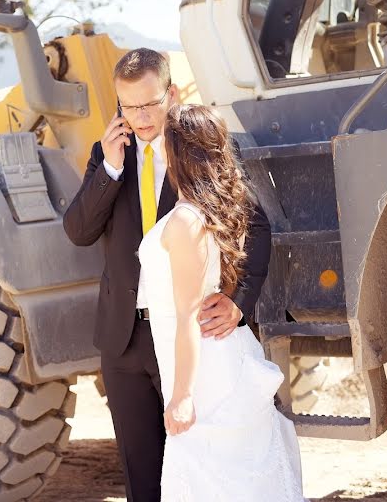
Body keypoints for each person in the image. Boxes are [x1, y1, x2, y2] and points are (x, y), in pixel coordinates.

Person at [62, 48, 272, 501]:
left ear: (171, 93)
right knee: (141, 477)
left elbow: (255, 225)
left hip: (182, 337)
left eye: (149, 103)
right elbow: (78, 231)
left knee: (193, 468)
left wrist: (239, 300)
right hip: (122, 340)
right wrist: (112, 169)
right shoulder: (107, 155)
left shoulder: (199, 148)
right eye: (128, 106)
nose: (139, 117)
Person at [144, 103, 303, 500]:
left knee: (211, 478)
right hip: (216, 353)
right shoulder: (210, 208)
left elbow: (186, 318)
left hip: (206, 371)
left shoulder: (185, 221)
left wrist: (181, 397)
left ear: (175, 151)